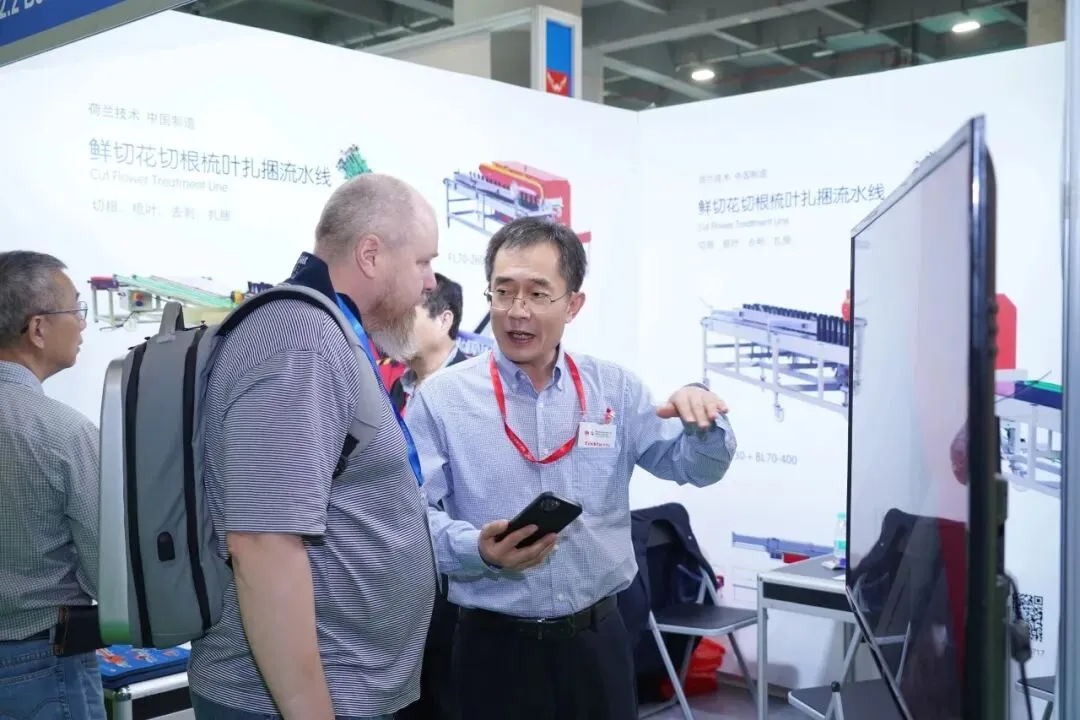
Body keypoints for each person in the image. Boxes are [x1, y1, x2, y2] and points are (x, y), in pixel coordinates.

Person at [405, 217, 737, 720]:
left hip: (597, 644)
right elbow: (410, 516)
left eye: (538, 294)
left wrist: (704, 423)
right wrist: (477, 549)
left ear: (572, 304)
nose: (517, 311)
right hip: (492, 649)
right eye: (503, 292)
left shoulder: (615, 390)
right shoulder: (442, 400)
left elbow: (695, 468)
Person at [187, 174, 440, 720]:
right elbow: (264, 543)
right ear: (371, 254)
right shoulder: (301, 339)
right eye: (423, 261)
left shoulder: (324, 331)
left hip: (342, 690)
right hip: (295, 702)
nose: (430, 281)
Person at [0, 251, 105, 720]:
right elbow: (109, 575)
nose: (82, 325)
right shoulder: (64, 433)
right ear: (38, 328)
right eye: (76, 309)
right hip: (40, 664)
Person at [395, 272, 467, 720]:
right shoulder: (393, 387)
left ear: (444, 320)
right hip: (402, 577)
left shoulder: (477, 390)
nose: (396, 325)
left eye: (410, 315)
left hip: (460, 579)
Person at [389, 272, 467, 415]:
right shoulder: (399, 386)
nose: (394, 326)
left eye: (406, 316)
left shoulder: (469, 390)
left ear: (444, 321)